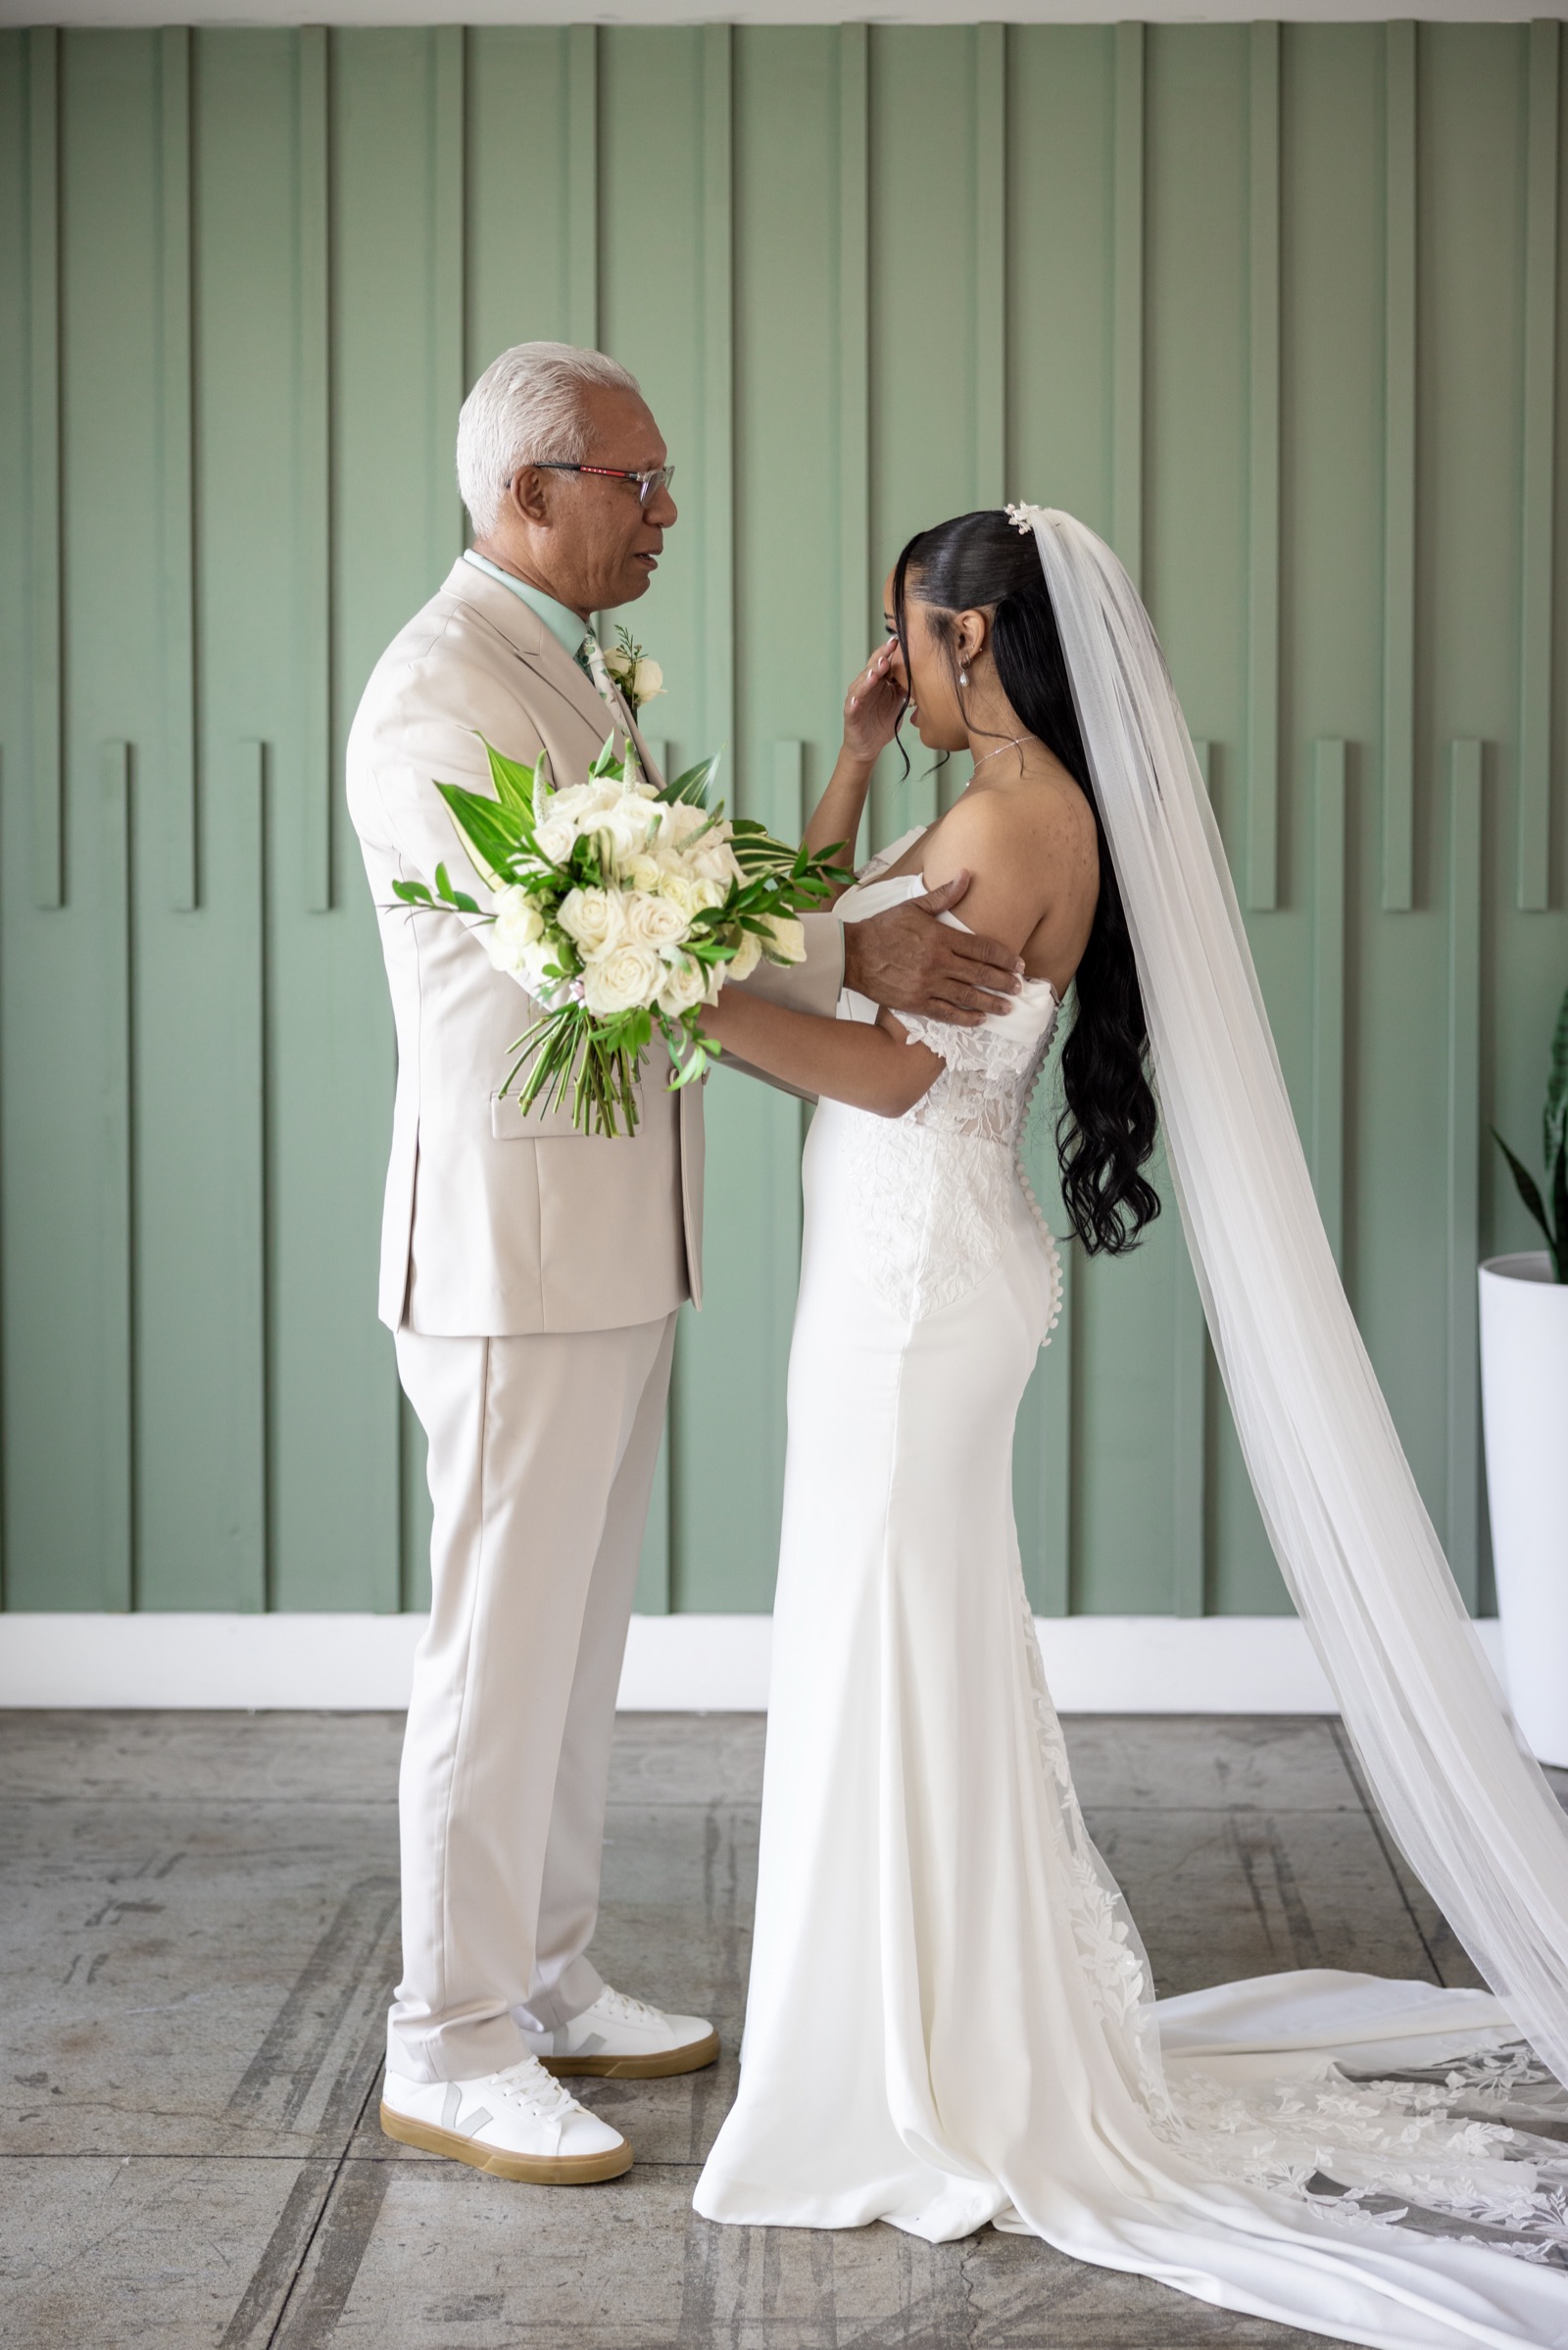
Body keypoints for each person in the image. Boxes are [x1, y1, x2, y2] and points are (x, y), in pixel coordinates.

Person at [692, 507, 1568, 2347]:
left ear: (977, 639)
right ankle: (914, 2015)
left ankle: (901, 2067)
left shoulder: (1020, 822)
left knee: (885, 1642)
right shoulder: (1002, 794)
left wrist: (686, 1000)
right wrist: (849, 761)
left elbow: (881, 1053)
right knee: (896, 1643)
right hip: (910, 1272)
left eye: (905, 641)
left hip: (919, 1287)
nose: (896, 664)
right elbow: (823, 938)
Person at [346, 346, 1023, 2187]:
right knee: (496, 1653)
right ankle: (451, 2036)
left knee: (573, 1641)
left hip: (617, 1230)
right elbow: (608, 952)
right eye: (638, 484)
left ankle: (546, 1978)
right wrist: (861, 970)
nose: (668, 513)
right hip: (510, 1243)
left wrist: (843, 854)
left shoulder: (566, 668)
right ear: (529, 492)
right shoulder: (436, 695)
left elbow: (683, 900)